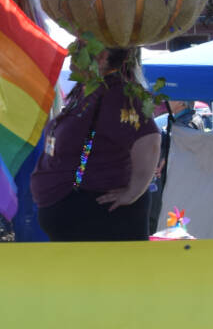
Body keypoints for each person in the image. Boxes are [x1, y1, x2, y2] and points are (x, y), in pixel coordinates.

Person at [30, 46, 162, 242]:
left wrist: (134, 191)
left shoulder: (118, 93)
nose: (70, 51)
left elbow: (149, 139)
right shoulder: (86, 90)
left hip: (102, 224)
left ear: (102, 56)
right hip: (79, 225)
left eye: (80, 46)